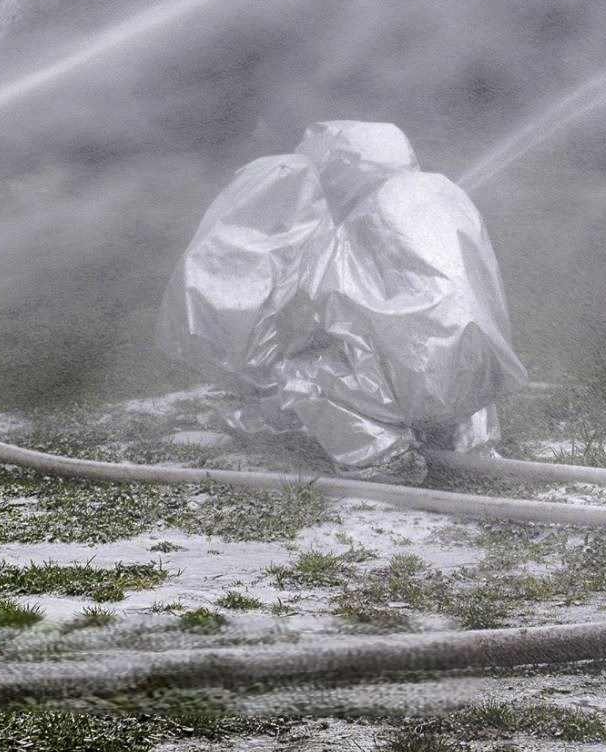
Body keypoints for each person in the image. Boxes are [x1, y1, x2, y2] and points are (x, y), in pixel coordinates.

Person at [161, 120, 526, 481]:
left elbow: (320, 300)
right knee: (444, 350)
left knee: (302, 374)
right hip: (480, 374)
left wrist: (289, 338)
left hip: (420, 381)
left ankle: (382, 457)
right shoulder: (444, 193)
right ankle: (470, 443)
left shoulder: (363, 218)